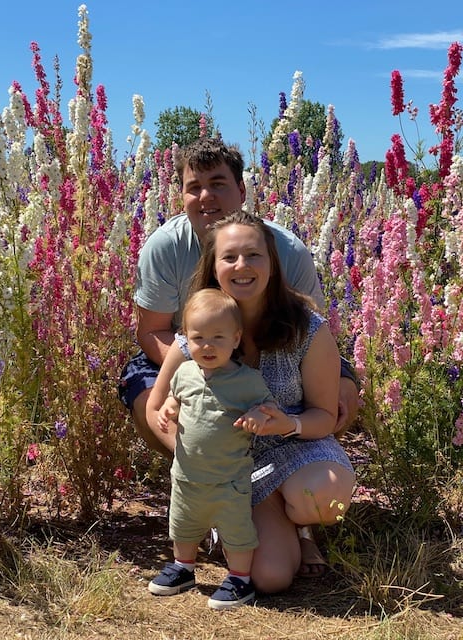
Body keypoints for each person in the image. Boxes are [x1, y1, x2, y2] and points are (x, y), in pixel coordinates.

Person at [118, 137, 359, 574]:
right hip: (193, 352)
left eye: (218, 184)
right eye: (195, 187)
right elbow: (153, 332)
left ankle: (299, 520)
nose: (206, 196)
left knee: (335, 430)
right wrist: (194, 377)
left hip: (283, 406)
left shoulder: (288, 252)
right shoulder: (165, 247)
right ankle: (209, 500)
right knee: (268, 577)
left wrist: (309, 413)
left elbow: (313, 329)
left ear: (242, 191)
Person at [146, 211, 356, 594]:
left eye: (253, 255)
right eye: (229, 257)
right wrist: (200, 456)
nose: (242, 266)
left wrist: (286, 424)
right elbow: (157, 406)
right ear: (213, 268)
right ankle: (280, 524)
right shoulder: (199, 330)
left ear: (272, 264)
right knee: (271, 578)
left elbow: (324, 416)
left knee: (323, 498)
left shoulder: (307, 329)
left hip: (297, 450)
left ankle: (302, 520)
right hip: (233, 472)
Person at [148, 288, 276, 610]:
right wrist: (168, 408)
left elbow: (268, 408)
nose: (207, 346)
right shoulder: (186, 372)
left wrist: (256, 415)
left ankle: (240, 578)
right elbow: (175, 398)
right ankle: (184, 567)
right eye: (198, 337)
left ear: (236, 339)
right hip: (188, 475)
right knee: (183, 524)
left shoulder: (248, 381)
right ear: (186, 339)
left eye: (218, 337)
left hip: (229, 480)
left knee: (237, 531)